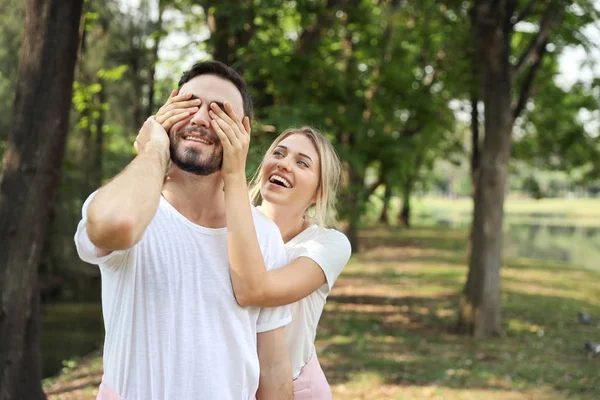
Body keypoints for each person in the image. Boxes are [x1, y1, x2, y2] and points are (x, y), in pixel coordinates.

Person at [74, 60, 293, 400]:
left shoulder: (263, 234)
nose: (201, 118)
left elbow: (274, 368)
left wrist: (235, 174)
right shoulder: (127, 204)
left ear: (243, 132)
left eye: (220, 112)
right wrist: (155, 147)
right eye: (189, 104)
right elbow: (114, 225)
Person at [156, 98, 351, 398]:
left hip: (296, 386)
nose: (284, 164)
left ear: (318, 191)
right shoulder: (228, 220)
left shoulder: (327, 244)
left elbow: (254, 291)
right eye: (279, 153)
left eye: (302, 163)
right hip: (231, 382)